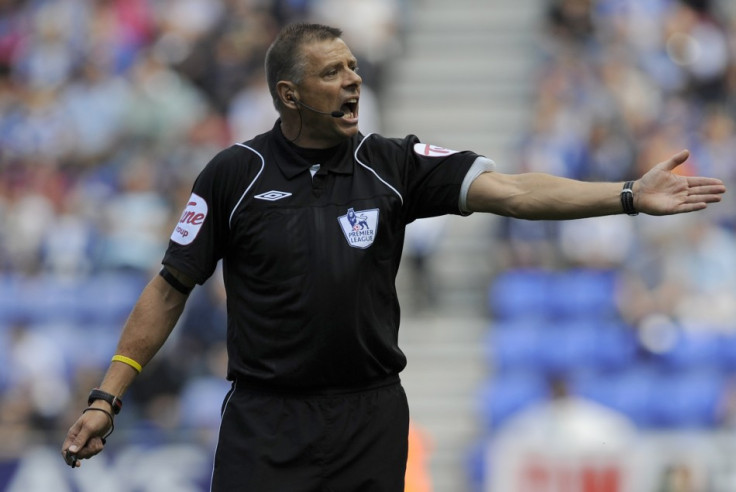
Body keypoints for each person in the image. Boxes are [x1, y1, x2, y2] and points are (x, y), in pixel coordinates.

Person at [60, 22, 726, 491]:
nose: (353, 80)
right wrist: (107, 398)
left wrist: (628, 195)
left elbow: (515, 191)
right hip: (266, 422)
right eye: (333, 73)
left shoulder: (391, 165)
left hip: (368, 419)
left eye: (353, 66)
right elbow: (170, 287)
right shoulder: (233, 176)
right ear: (290, 95)